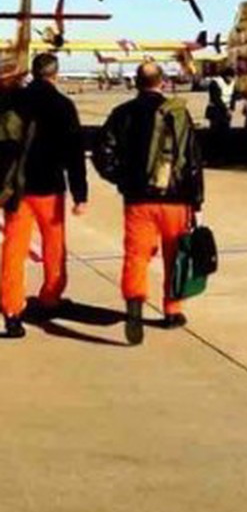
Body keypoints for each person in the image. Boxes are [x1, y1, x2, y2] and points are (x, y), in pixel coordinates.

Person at [92, 61, 204, 346]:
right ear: (162, 82)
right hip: (176, 200)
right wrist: (197, 200)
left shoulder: (122, 114)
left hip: (138, 200)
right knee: (175, 257)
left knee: (136, 255)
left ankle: (134, 302)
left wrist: (121, 179)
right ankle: (172, 311)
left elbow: (101, 153)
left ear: (136, 83)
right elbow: (193, 160)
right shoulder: (179, 114)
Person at [0, 52, 88, 339]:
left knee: (13, 249)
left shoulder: (12, 100)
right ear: (55, 73)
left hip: (18, 189)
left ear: (33, 73)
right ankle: (51, 298)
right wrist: (80, 193)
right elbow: (75, 153)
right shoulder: (63, 105)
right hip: (50, 188)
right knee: (54, 246)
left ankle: (12, 311)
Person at [205, 65, 238, 161]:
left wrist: (232, 108)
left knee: (225, 134)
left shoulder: (232, 84)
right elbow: (216, 98)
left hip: (226, 112)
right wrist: (226, 109)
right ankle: (213, 156)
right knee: (214, 134)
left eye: (232, 77)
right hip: (216, 111)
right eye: (230, 77)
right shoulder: (215, 83)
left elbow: (233, 97)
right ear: (225, 76)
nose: (231, 79)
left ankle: (224, 156)